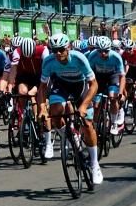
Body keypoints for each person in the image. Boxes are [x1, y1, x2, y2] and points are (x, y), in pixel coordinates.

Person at [39, 33, 103, 187]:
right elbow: (42, 87)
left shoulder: (79, 58)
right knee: (55, 112)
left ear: (68, 48)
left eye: (61, 49)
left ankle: (95, 164)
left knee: (87, 123)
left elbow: (94, 85)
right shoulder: (48, 61)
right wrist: (42, 108)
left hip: (80, 86)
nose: (58, 53)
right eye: (54, 50)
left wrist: (83, 106)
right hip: (61, 85)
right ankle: (69, 136)